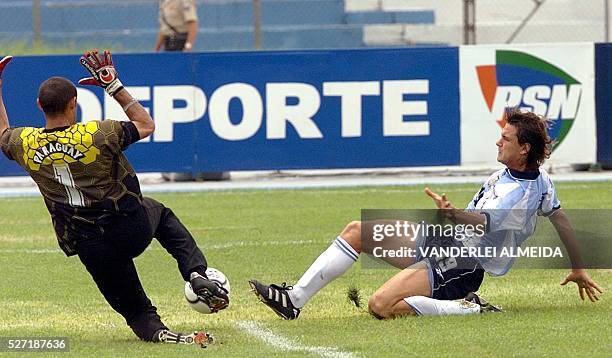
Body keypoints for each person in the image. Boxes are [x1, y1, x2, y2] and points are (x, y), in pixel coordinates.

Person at [249, 108, 603, 320]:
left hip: (462, 265)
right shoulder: (538, 179)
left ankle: (468, 306)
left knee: (381, 305)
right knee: (357, 231)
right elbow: (560, 218)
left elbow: (482, 221)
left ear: (524, 149)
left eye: (506, 138)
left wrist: (452, 213)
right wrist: (578, 266)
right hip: (445, 241)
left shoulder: (519, 195)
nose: (498, 142)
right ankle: (293, 301)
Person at [0, 51, 229, 345]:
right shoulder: (98, 132)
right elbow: (145, 124)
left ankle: (156, 330)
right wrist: (113, 85)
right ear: (74, 103)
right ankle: (196, 273)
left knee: (136, 312)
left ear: (39, 106)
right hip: (131, 228)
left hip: (88, 245)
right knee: (161, 214)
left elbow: (3, 132)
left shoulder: (24, 142)